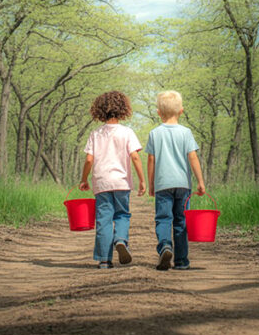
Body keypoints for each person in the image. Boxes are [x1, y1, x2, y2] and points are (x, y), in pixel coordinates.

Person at [79, 91, 146, 269]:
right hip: (122, 182)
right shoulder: (127, 132)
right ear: (123, 109)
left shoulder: (96, 134)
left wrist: (84, 179)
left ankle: (104, 260)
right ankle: (121, 240)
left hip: (101, 183)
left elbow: (88, 160)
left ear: (99, 110)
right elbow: (135, 157)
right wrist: (142, 180)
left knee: (104, 220)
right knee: (122, 214)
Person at [146, 90, 206, 271]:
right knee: (181, 221)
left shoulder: (154, 133)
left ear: (158, 112)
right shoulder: (186, 132)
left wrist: (151, 183)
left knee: (163, 219)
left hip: (163, 185)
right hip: (183, 185)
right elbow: (193, 157)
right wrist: (200, 181)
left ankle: (165, 245)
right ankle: (181, 261)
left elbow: (151, 160)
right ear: (181, 111)